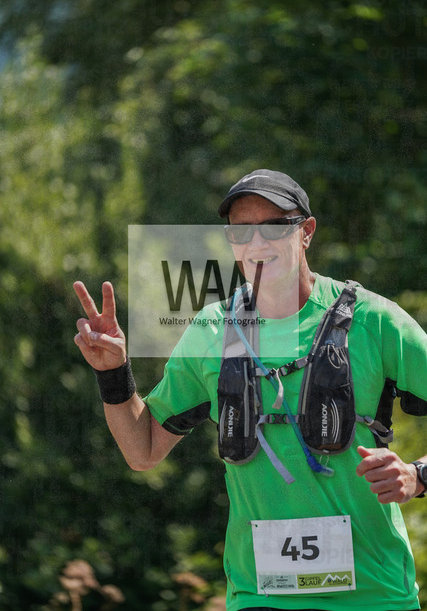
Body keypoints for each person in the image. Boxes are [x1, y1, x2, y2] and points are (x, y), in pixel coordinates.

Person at [74, 169, 427, 611]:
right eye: (241, 231)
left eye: (275, 226)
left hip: (374, 598)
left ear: (306, 232)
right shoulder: (211, 330)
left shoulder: (377, 321)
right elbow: (142, 450)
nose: (257, 243)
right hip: (260, 596)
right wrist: (113, 373)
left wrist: (418, 476)